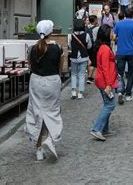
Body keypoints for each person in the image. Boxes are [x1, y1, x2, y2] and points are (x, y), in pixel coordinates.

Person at [25, 20, 64, 161]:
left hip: (36, 80)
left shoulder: (31, 49)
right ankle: (49, 138)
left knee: (36, 112)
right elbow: (60, 68)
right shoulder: (58, 48)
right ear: (51, 32)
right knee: (52, 112)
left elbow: (30, 66)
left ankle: (38, 149)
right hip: (52, 80)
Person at [90, 24, 118, 141]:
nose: (113, 34)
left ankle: (104, 129)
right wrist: (108, 85)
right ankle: (97, 129)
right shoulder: (105, 49)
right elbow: (106, 68)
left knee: (107, 104)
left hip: (102, 79)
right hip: (105, 81)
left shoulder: (102, 47)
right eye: (111, 32)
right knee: (110, 105)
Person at [113, 7, 133, 104]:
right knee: (130, 74)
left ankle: (120, 91)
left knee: (120, 74)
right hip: (132, 52)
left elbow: (113, 37)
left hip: (120, 51)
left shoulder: (118, 24)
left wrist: (119, 41)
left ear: (124, 15)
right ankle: (128, 94)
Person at [69, 19, 92, 99]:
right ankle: (80, 93)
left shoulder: (70, 35)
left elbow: (70, 46)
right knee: (82, 75)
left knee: (74, 74)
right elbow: (89, 46)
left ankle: (73, 92)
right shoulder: (87, 35)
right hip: (83, 57)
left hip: (74, 57)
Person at [86, 15, 99, 84]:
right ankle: (89, 77)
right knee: (93, 62)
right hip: (94, 47)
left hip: (87, 46)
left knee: (89, 61)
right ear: (95, 20)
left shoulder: (86, 28)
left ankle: (89, 76)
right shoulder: (97, 28)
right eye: (96, 19)